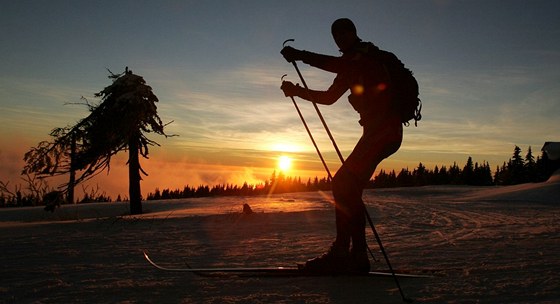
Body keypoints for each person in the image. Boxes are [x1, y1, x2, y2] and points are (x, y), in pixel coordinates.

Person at [280, 18, 403, 274]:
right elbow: (328, 97)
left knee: (343, 184)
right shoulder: (350, 66)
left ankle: (345, 255)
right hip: (379, 133)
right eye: (336, 36)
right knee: (347, 187)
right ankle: (354, 256)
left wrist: (301, 55)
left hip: (384, 132)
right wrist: (297, 91)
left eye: (343, 34)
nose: (339, 39)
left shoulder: (364, 56)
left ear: (353, 33)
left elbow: (335, 64)